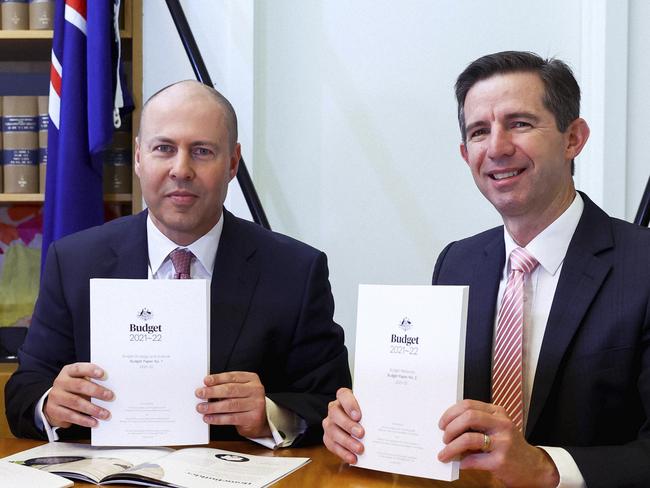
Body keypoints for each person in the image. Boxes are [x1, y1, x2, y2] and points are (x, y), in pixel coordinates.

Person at [323, 51, 650, 487]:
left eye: (519, 123)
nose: (496, 147)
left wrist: (545, 469)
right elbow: (435, 411)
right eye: (480, 131)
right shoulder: (457, 262)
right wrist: (367, 424)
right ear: (466, 154)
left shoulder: (642, 264)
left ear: (573, 138)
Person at [6, 80, 351, 448]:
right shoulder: (74, 261)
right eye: (164, 149)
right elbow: (25, 389)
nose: (181, 169)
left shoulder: (296, 271)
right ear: (138, 157)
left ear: (233, 162)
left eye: (202, 151)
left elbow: (331, 403)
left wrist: (271, 414)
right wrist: (53, 405)